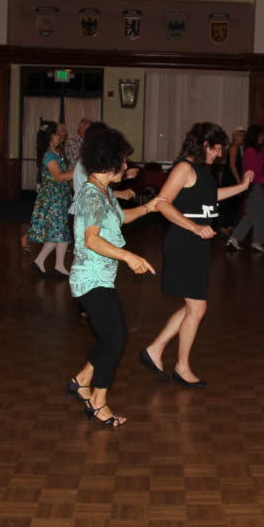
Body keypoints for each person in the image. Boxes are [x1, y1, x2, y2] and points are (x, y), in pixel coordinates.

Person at [141, 123, 255, 388]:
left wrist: (243, 186)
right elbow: (162, 203)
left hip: (196, 244)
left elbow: (210, 196)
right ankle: (181, 367)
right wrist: (193, 226)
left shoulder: (202, 171)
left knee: (193, 306)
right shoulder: (184, 168)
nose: (220, 155)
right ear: (205, 145)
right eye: (217, 149)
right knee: (197, 307)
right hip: (183, 242)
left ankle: (155, 350)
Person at [66, 124, 159, 428]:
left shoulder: (103, 191)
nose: (126, 166)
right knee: (115, 337)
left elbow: (119, 219)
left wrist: (148, 208)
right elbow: (91, 239)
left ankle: (82, 380)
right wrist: (129, 256)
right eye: (123, 161)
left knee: (112, 334)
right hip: (90, 279)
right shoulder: (91, 195)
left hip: (100, 278)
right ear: (109, 162)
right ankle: (97, 402)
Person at [28, 122, 74, 276]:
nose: (61, 136)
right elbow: (59, 177)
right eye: (58, 133)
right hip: (53, 198)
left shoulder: (55, 153)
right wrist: (78, 171)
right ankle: (59, 266)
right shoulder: (48, 155)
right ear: (51, 136)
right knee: (61, 232)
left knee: (57, 232)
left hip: (57, 196)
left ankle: (40, 260)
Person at [227, 125, 264, 253]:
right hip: (251, 185)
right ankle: (235, 238)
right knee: (253, 212)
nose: (263, 137)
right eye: (261, 134)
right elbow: (251, 172)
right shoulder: (250, 151)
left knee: (260, 212)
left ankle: (256, 241)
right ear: (255, 135)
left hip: (255, 185)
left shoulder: (256, 150)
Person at [217, 126, 245, 232]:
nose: (242, 138)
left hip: (232, 177)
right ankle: (224, 226)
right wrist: (239, 181)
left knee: (233, 203)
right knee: (229, 203)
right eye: (241, 136)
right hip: (231, 178)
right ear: (236, 136)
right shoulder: (233, 148)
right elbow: (232, 165)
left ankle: (228, 225)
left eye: (243, 136)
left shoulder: (236, 148)